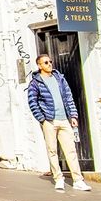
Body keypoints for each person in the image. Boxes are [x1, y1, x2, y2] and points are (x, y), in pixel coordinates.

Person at [26, 54, 88, 191]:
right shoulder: (35, 83)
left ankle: (78, 180)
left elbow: (68, 96)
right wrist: (42, 118)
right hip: (49, 121)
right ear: (39, 66)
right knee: (52, 150)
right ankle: (58, 178)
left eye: (50, 61)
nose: (49, 64)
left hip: (64, 119)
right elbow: (32, 102)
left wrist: (73, 115)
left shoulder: (60, 78)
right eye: (46, 62)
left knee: (71, 150)